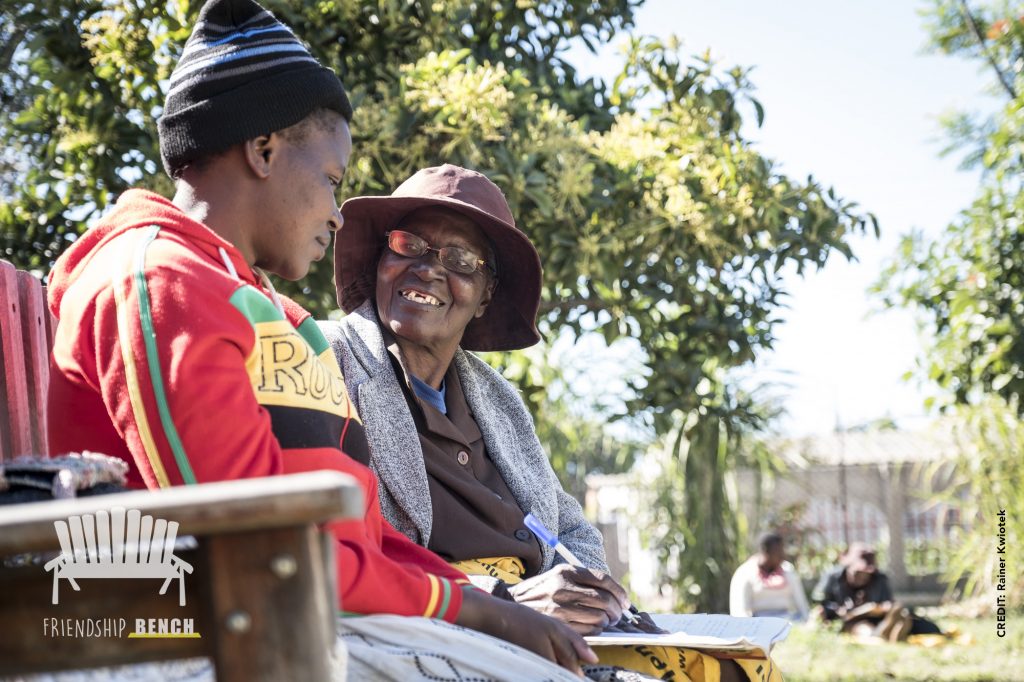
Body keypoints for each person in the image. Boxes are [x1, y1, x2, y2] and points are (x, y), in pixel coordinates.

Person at [44, 1, 596, 679]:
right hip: (198, 627)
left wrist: (477, 602)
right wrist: (478, 609)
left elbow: (362, 533)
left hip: (310, 605)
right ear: (265, 150)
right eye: (333, 181)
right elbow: (252, 544)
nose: (337, 214)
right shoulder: (160, 284)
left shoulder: (263, 309)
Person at [319, 164, 782, 682]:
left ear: (485, 295)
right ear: (383, 255)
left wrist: (585, 591)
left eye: (460, 260)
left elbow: (570, 530)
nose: (428, 268)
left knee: (735, 669)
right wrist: (505, 600)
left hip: (541, 630)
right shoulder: (324, 362)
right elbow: (341, 547)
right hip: (435, 630)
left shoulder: (498, 400)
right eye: (409, 244)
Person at [813, 543, 940, 642]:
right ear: (849, 566)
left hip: (877, 619)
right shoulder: (833, 577)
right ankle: (882, 635)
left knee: (905, 615)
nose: (862, 577)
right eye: (858, 572)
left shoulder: (879, 579)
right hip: (850, 622)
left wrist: (879, 608)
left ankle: (890, 630)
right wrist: (837, 611)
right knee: (864, 630)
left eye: (866, 574)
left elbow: (887, 603)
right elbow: (820, 603)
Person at [730, 532, 809, 622]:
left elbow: (802, 605)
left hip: (787, 622)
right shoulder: (745, 573)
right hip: (758, 623)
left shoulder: (788, 571)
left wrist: (806, 622)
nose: (783, 556)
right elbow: (740, 611)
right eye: (778, 552)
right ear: (765, 551)